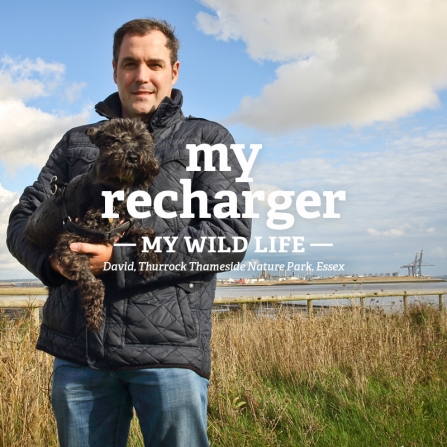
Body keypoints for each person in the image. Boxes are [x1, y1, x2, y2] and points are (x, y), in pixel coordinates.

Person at [7, 18, 251, 447]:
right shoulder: (77, 142)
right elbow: (21, 222)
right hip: (80, 356)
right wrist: (52, 265)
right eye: (130, 63)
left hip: (168, 355)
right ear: (115, 70)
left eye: (154, 64)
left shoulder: (208, 138)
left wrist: (118, 260)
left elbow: (226, 238)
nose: (142, 75)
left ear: (173, 72)